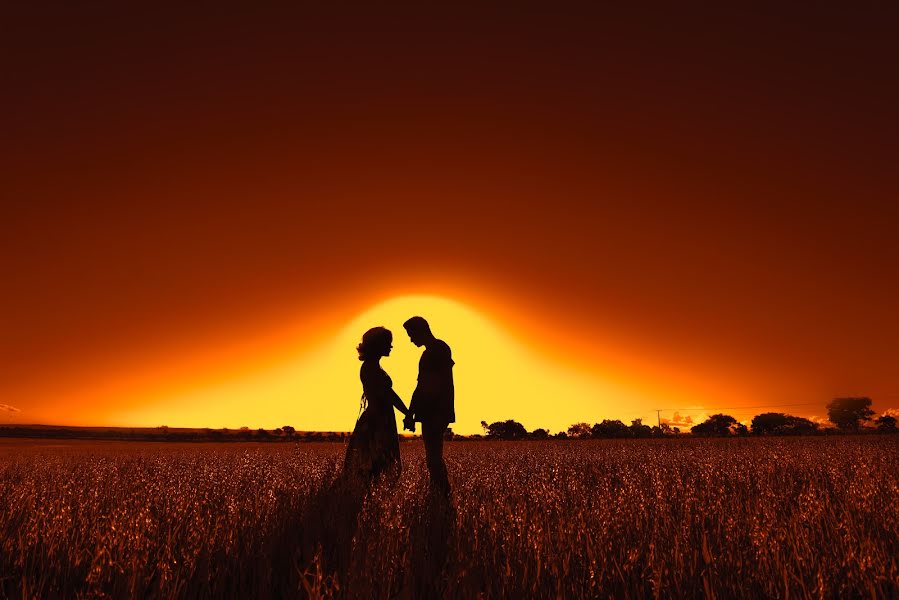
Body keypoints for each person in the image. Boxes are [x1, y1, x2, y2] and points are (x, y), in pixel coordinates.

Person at [343, 326, 412, 487]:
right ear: (378, 345)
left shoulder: (373, 366)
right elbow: (388, 395)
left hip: (381, 419)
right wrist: (407, 413)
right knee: (376, 466)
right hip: (378, 421)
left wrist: (407, 412)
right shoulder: (371, 368)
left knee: (379, 466)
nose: (391, 347)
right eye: (388, 343)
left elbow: (390, 394)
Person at [403, 316, 454, 497]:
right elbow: (422, 385)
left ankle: (441, 495)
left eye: (411, 334)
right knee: (433, 458)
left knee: (433, 458)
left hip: (435, 412)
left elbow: (426, 385)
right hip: (434, 411)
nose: (410, 339)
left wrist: (412, 412)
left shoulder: (437, 350)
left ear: (420, 330)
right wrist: (411, 413)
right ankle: (439, 495)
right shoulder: (435, 350)